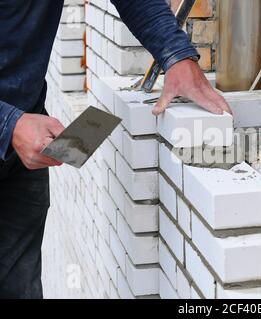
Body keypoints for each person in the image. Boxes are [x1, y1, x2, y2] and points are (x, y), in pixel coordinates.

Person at [0, 0, 231, 299]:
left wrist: (176, 56)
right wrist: (9, 125)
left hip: (18, 156)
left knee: (19, 286)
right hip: (14, 126)